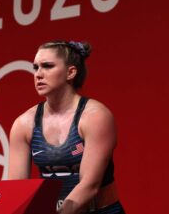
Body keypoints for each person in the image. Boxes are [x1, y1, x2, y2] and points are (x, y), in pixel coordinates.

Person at [8, 40, 125, 214]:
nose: (38, 74)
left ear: (70, 72)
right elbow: (17, 189)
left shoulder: (95, 117)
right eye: (35, 67)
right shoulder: (23, 124)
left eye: (47, 66)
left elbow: (90, 185)